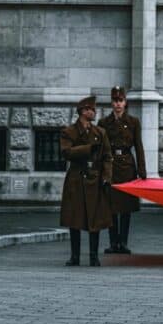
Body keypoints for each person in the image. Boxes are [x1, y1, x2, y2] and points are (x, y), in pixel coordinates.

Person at [59, 96, 113, 266]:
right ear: (83, 111)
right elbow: (66, 152)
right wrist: (88, 149)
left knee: (94, 219)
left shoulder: (100, 132)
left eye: (94, 110)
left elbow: (107, 157)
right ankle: (75, 256)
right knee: (74, 219)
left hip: (95, 179)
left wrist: (106, 177)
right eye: (91, 110)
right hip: (76, 178)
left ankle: (93, 256)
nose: (93, 113)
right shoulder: (69, 132)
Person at [98, 86, 147, 254]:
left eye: (120, 101)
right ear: (111, 103)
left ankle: (124, 242)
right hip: (110, 166)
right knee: (111, 206)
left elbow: (139, 146)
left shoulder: (133, 122)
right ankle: (113, 243)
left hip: (127, 166)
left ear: (125, 103)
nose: (118, 104)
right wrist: (100, 170)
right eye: (115, 101)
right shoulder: (104, 123)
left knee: (126, 206)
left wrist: (142, 170)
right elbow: (100, 149)